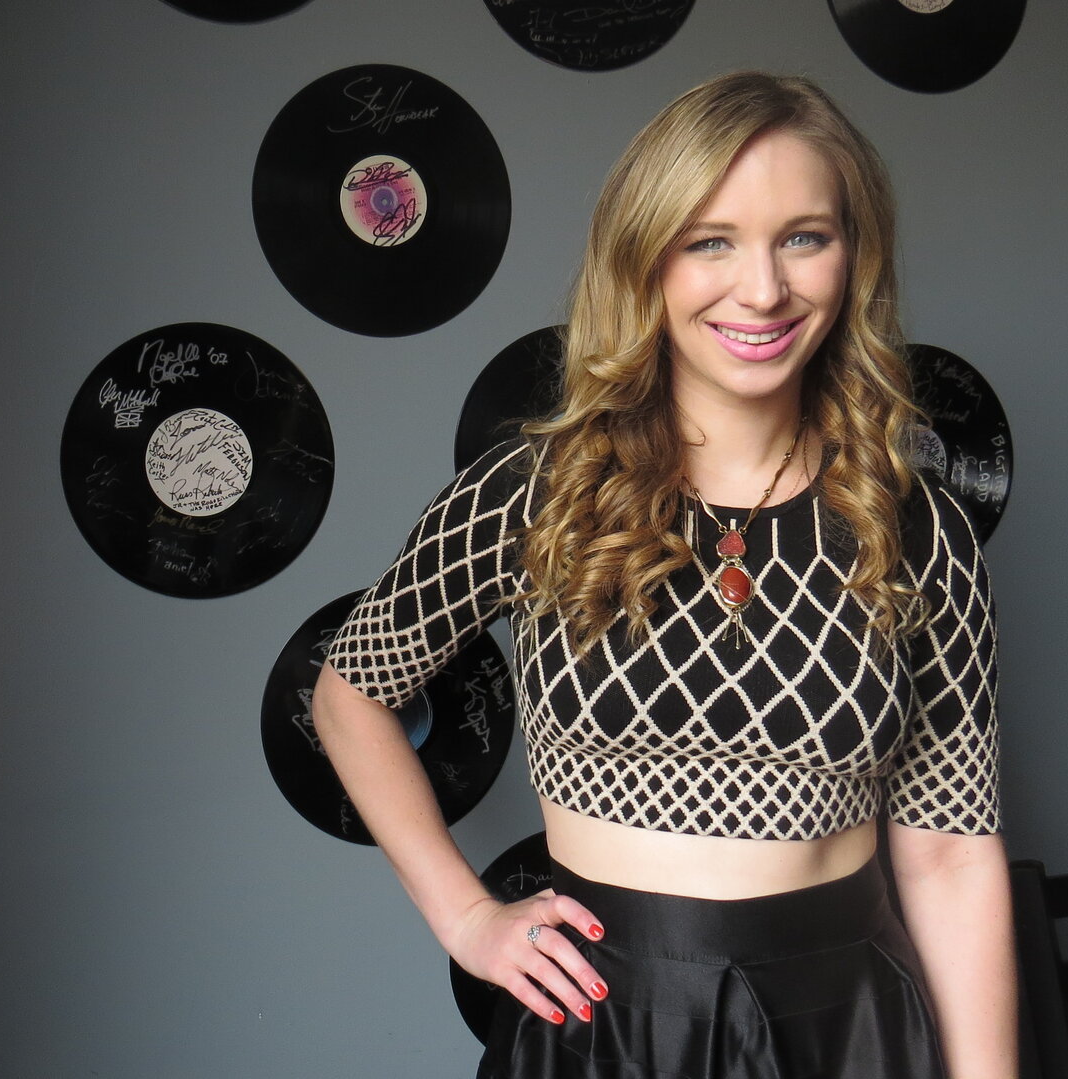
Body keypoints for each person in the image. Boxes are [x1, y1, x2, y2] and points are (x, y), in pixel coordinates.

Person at [310, 72, 1015, 1079]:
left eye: (803, 237)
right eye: (710, 241)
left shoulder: (919, 529)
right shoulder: (534, 493)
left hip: (846, 1032)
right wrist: (466, 916)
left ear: (854, 257)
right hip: (602, 1031)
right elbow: (350, 695)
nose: (762, 289)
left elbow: (950, 854)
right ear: (645, 258)